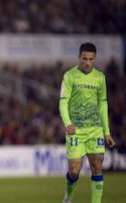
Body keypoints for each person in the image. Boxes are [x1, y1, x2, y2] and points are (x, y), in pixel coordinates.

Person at [59, 42, 116, 203]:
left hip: (95, 129)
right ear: (79, 57)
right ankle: (68, 197)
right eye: (84, 58)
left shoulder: (100, 77)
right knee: (74, 171)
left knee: (97, 165)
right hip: (75, 129)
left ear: (94, 59)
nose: (88, 62)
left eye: (91, 59)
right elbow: (63, 102)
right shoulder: (69, 76)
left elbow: (103, 104)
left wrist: (107, 132)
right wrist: (68, 123)